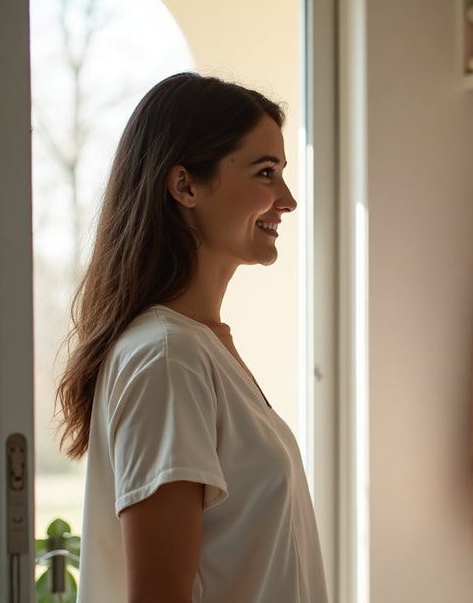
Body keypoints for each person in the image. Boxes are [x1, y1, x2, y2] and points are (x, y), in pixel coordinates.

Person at [56, 73, 328, 603]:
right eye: (265, 173)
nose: (288, 199)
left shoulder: (196, 346)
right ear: (185, 186)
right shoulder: (167, 358)